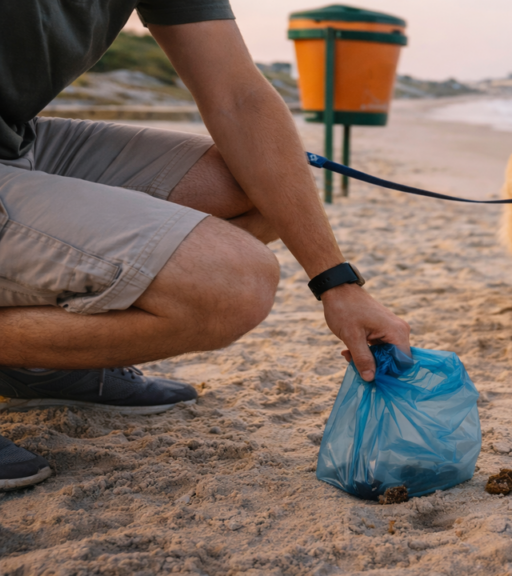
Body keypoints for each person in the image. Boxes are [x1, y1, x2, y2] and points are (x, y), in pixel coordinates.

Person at [0, 1, 411, 490]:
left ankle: (36, 366)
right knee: (233, 283)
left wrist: (337, 283)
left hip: (17, 140)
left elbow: (238, 96)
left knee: (267, 184)